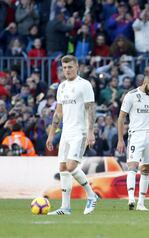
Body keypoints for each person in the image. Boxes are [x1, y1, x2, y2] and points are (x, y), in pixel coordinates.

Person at [46, 55, 98, 215]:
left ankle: (91, 195)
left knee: (71, 166)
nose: (67, 70)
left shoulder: (84, 85)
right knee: (62, 167)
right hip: (66, 133)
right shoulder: (61, 87)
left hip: (80, 132)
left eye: (70, 67)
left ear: (77, 67)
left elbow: (91, 109)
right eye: (64, 67)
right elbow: (58, 112)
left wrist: (90, 131)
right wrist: (51, 134)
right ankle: (65, 207)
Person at [116, 73, 149, 211]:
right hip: (136, 134)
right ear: (145, 82)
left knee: (146, 168)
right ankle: (131, 198)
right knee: (132, 166)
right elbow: (121, 118)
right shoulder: (130, 96)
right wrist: (120, 140)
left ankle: (141, 203)